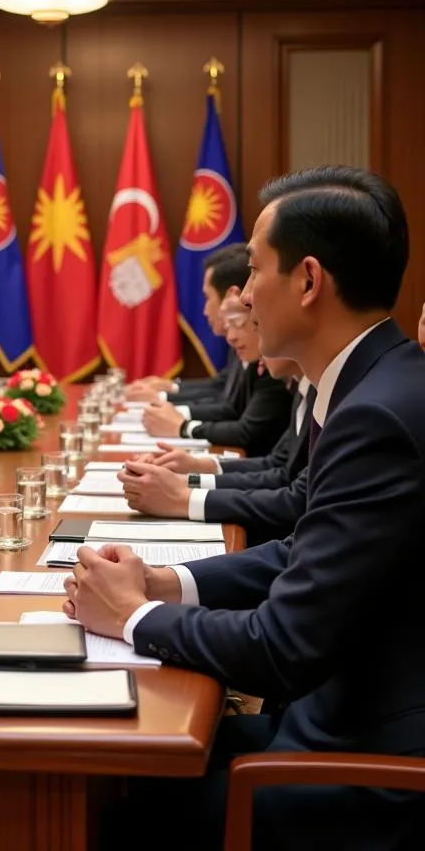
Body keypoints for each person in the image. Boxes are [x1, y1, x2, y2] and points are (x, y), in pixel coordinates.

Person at [64, 166, 425, 850]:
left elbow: (282, 647)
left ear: (309, 281)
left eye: (255, 271)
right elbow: (305, 548)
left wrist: (133, 616)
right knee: (123, 761)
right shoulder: (377, 383)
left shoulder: (377, 412)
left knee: (110, 809)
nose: (244, 294)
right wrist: (169, 584)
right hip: (340, 716)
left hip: (372, 768)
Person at [119, 356, 312, 546]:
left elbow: (296, 500)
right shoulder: (307, 388)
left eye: (255, 324)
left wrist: (184, 498)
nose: (259, 350)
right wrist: (190, 474)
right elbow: (279, 466)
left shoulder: (324, 393)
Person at [140, 293, 292, 455]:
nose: (231, 338)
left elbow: (244, 427)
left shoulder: (276, 371)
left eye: (208, 297)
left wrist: (184, 426)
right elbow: (222, 390)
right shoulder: (248, 351)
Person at [125, 244, 247, 403]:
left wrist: (163, 399)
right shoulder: (241, 339)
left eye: (208, 298)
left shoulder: (255, 344)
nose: (205, 310)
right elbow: (220, 385)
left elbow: (232, 409)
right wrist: (169, 387)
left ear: (232, 294)